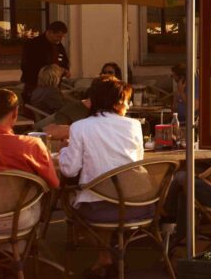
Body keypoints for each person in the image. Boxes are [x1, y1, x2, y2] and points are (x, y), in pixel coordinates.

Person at [58, 76, 148, 277]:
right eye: (127, 101)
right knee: (103, 197)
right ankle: (108, 256)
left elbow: (69, 170)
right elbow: (137, 162)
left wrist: (64, 150)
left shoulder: (80, 127)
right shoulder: (134, 125)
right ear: (117, 103)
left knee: (74, 202)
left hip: (99, 208)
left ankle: (105, 255)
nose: (128, 106)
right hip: (136, 205)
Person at [20, 20, 69, 100]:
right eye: (58, 36)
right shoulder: (33, 44)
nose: (60, 40)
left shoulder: (58, 45)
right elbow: (27, 65)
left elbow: (64, 60)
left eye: (62, 37)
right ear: (50, 32)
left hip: (54, 84)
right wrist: (50, 71)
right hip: (35, 84)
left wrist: (65, 70)